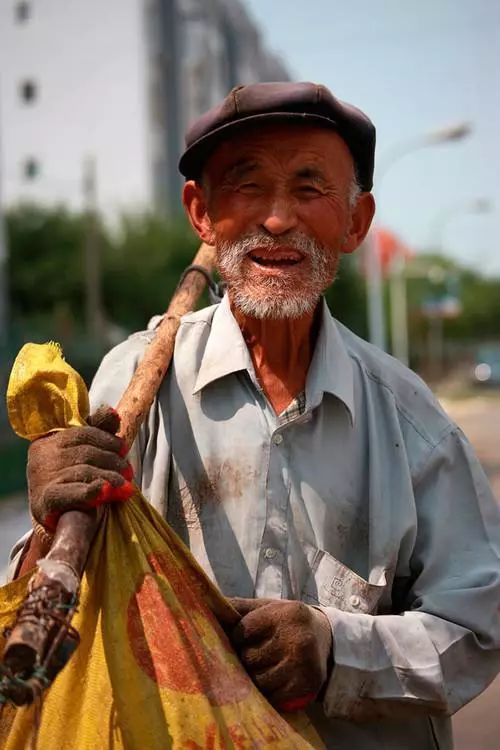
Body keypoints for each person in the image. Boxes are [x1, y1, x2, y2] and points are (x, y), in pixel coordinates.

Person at [10, 82, 500, 749]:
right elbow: (55, 594)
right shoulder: (133, 383)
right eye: (246, 187)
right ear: (202, 215)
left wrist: (336, 651)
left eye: (309, 189)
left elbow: (475, 629)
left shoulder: (410, 421)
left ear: (356, 223)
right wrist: (48, 518)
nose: (277, 220)